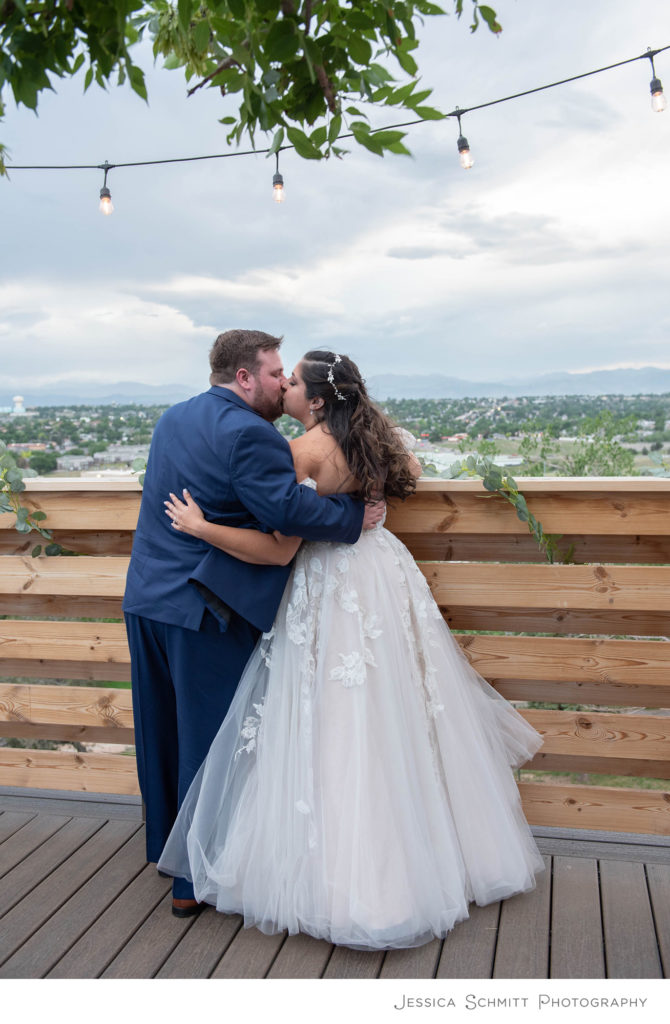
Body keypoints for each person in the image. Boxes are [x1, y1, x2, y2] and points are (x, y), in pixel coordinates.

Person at [158, 350, 545, 948]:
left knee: (333, 713)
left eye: (292, 383)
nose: (284, 388)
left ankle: (352, 876)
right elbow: (409, 467)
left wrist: (204, 526)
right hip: (384, 572)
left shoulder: (300, 452)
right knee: (401, 702)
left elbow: (282, 539)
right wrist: (368, 505)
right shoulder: (380, 438)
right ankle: (444, 853)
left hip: (328, 582)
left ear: (315, 400)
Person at [123, 330, 383, 918]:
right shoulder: (251, 432)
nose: (282, 383)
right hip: (204, 606)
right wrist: (352, 512)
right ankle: (191, 879)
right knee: (210, 740)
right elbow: (286, 510)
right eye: (273, 373)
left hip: (147, 598)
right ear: (244, 377)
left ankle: (166, 848)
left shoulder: (174, 417)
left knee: (160, 734)